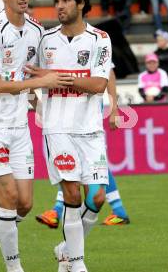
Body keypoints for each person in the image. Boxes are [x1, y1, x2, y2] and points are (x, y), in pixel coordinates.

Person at [0, 0, 74, 272]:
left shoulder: (36, 30)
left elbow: (30, 73)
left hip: (18, 125)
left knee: (25, 204)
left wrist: (35, 98)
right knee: (9, 196)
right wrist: (39, 84)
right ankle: (15, 268)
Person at [26, 0, 112, 272]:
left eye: (65, 0)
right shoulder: (45, 40)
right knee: (72, 195)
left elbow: (98, 85)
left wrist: (55, 76)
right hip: (57, 128)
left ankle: (66, 249)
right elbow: (26, 76)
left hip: (90, 128)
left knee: (98, 196)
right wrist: (35, 101)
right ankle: (76, 264)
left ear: (81, 4)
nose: (59, 6)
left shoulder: (100, 39)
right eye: (56, 0)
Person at [35, 68, 131, 228]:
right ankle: (117, 209)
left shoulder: (97, 43)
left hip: (86, 116)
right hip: (61, 121)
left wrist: (114, 107)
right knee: (73, 167)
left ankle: (59, 211)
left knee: (88, 167)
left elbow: (109, 72)